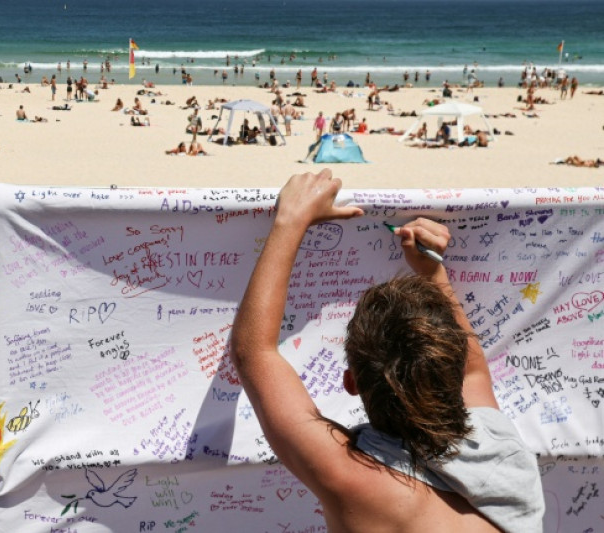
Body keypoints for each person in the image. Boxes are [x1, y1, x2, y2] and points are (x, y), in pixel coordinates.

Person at [230, 170, 544, 533]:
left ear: (351, 383)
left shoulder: (355, 478)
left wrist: (289, 221)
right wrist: (433, 272)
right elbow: (473, 373)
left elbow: (254, 352)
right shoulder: (506, 455)